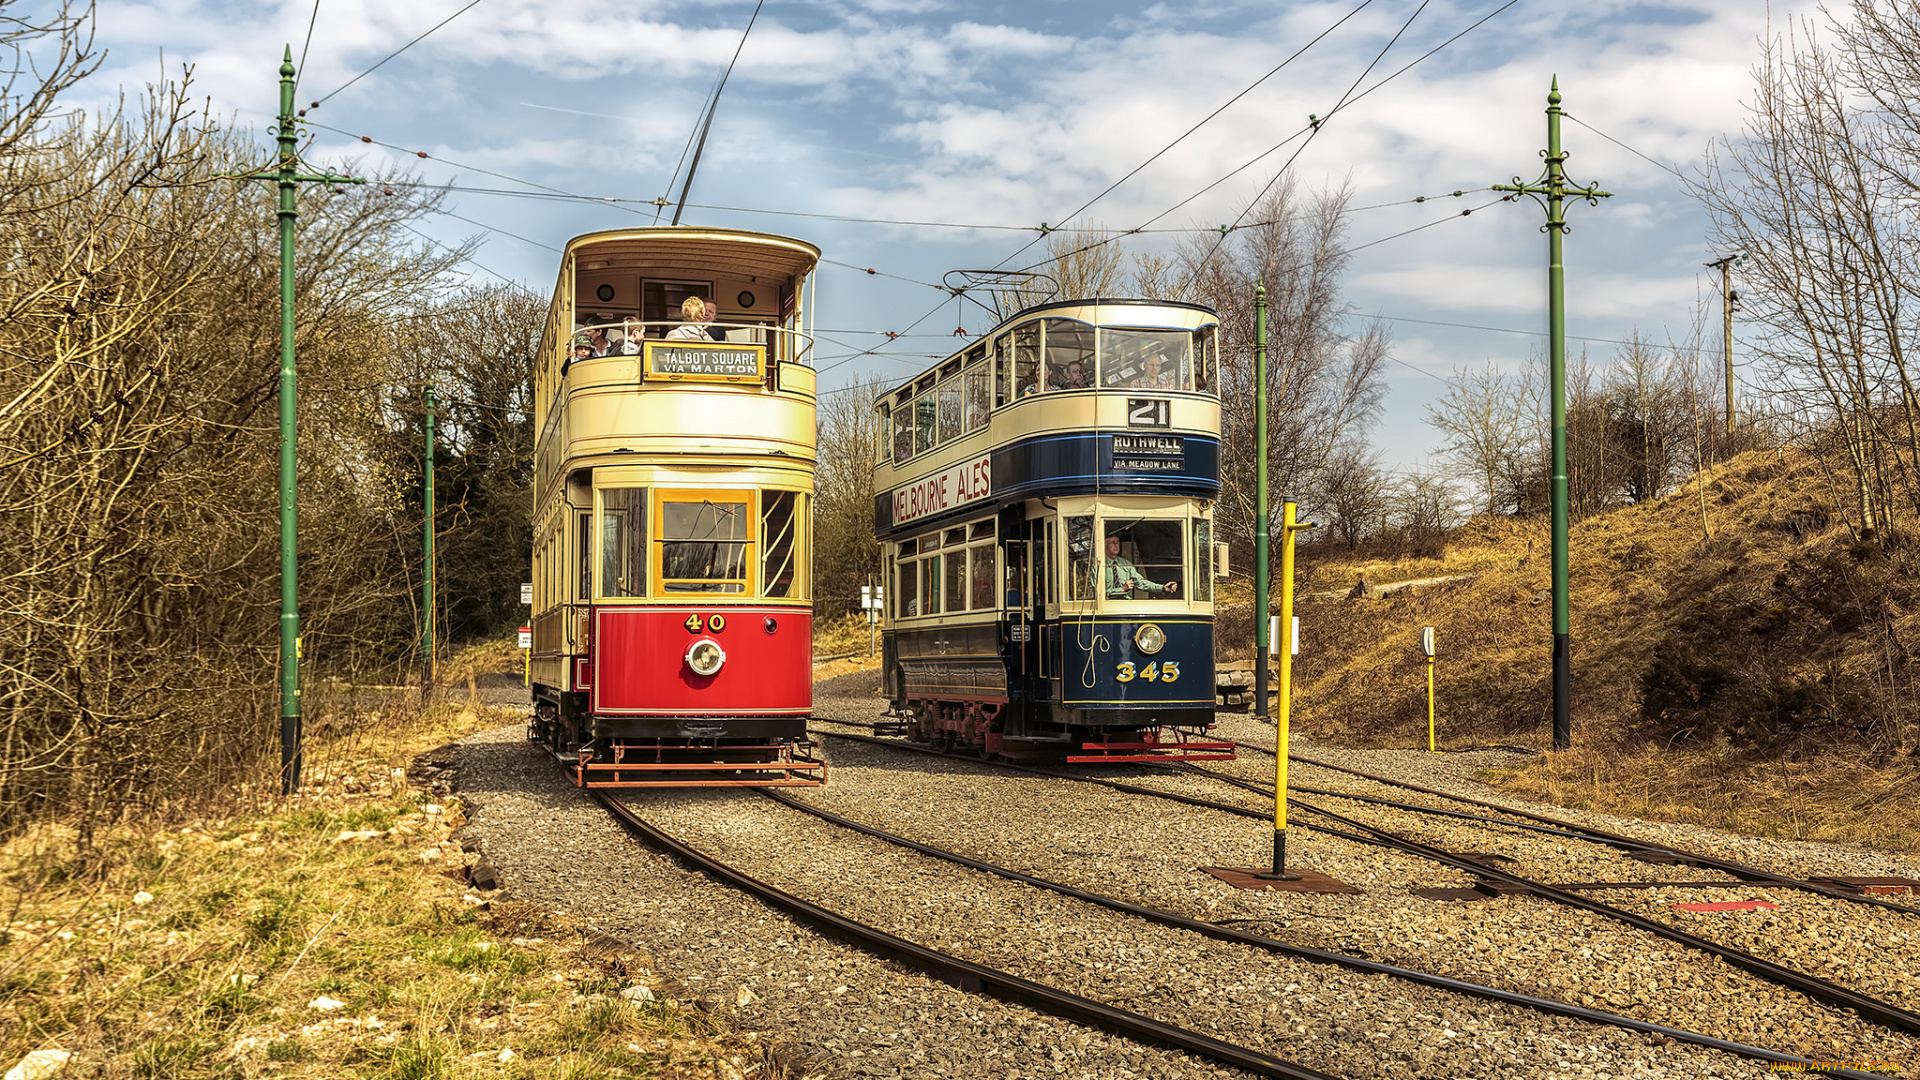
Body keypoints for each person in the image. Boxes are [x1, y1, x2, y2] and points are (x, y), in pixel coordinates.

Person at [1104, 534, 1177, 599]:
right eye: (1113, 542)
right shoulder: (1100, 565)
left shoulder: (1125, 564)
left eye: (1118, 542)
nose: (1116, 545)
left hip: (1126, 605)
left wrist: (1163, 588)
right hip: (1106, 606)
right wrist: (1121, 589)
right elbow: (1098, 592)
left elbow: (1141, 583)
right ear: (1105, 545)